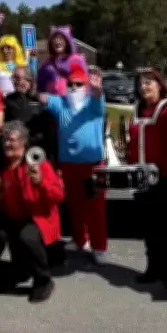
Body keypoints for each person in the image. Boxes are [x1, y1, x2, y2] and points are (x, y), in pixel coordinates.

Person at [0, 120, 65, 302]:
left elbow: (58, 196)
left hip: (36, 219)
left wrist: (40, 183)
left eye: (12, 140)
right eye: (5, 140)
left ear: (23, 142)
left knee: (27, 236)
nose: (7, 144)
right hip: (10, 218)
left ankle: (43, 281)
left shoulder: (37, 163)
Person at [127, 68, 167, 297]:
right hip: (142, 176)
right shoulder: (137, 108)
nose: (144, 87)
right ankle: (153, 268)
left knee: (164, 225)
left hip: (166, 176)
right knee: (148, 224)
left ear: (160, 85)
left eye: (149, 83)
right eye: (141, 83)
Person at [39, 64, 107, 264]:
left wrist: (97, 88)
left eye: (79, 84)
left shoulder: (93, 103)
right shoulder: (61, 103)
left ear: (86, 86)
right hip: (69, 164)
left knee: (96, 207)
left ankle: (99, 246)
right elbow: (42, 97)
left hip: (93, 164)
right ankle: (80, 240)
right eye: (71, 84)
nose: (74, 87)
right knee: (74, 206)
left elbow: (98, 95)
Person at [4, 66, 57, 163]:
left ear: (29, 80)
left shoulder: (41, 99)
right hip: (16, 150)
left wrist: (50, 154)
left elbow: (50, 129)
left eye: (18, 78)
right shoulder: (8, 100)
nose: (15, 81)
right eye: (13, 78)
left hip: (38, 150)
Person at [37, 26, 87, 95]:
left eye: (60, 38)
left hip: (73, 101)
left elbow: (85, 85)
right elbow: (41, 87)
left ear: (67, 41)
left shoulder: (77, 59)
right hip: (52, 103)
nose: (57, 41)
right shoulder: (47, 65)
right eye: (54, 38)